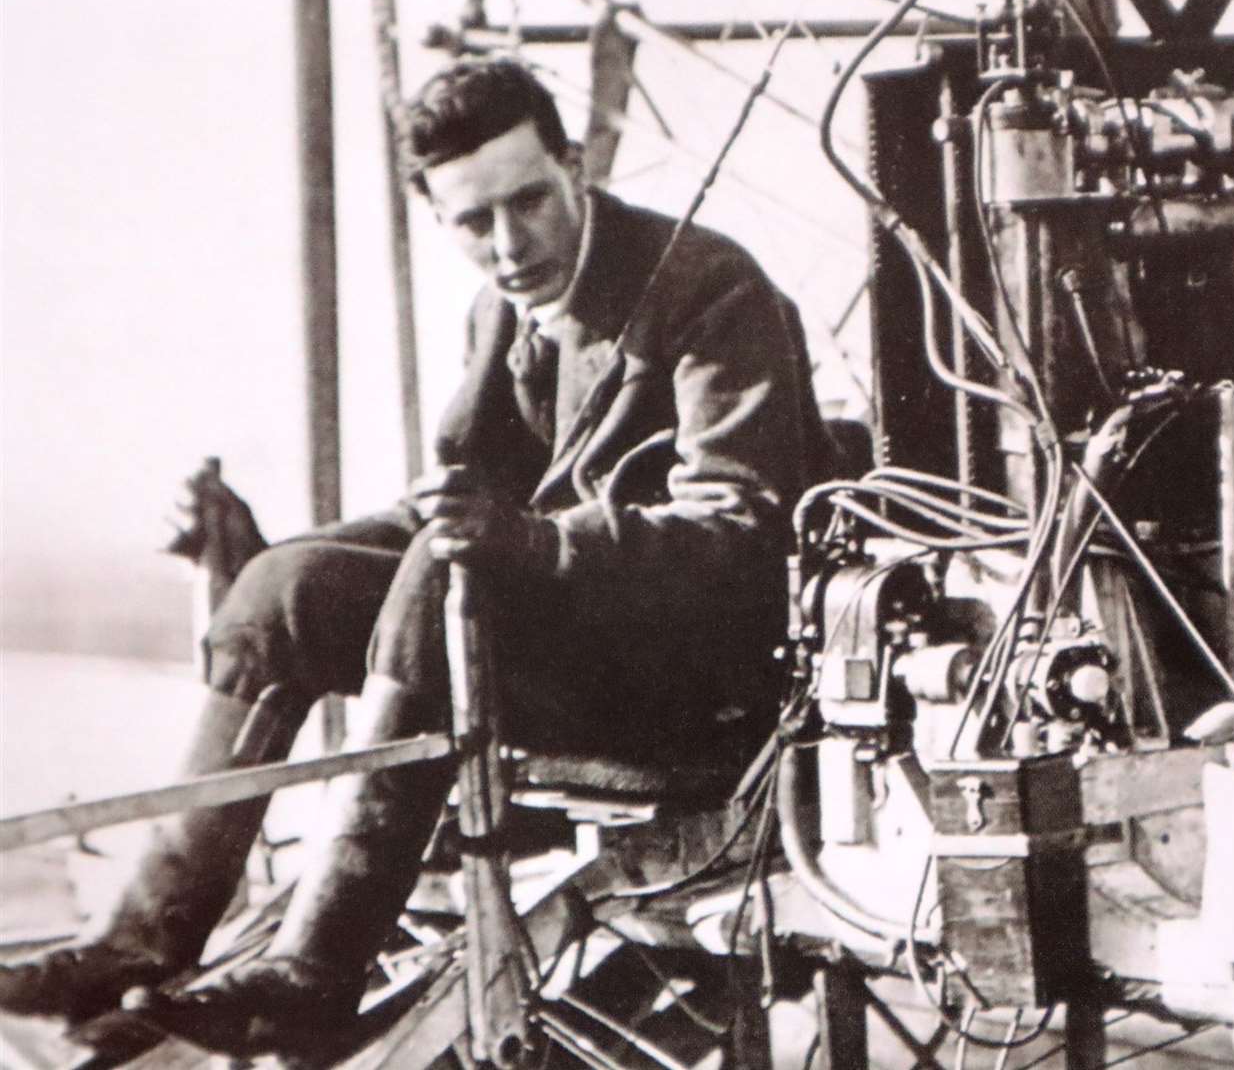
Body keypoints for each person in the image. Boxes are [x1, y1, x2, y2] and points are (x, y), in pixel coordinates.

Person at [0, 57, 833, 1055]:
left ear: (575, 166)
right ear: (439, 217)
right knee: (284, 591)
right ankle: (142, 939)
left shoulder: (706, 286)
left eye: (529, 203)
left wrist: (534, 539)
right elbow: (453, 497)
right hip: (550, 643)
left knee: (446, 569)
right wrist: (264, 558)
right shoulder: (501, 311)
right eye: (472, 223)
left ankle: (315, 963)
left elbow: (740, 532)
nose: (508, 245)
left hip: (693, 681)